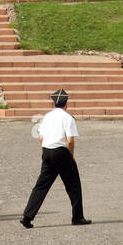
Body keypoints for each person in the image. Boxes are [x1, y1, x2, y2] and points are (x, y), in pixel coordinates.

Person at [20, 88, 91, 228]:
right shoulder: (68, 118)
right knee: (73, 185)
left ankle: (27, 216)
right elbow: (70, 141)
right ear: (66, 103)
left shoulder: (47, 116)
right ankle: (77, 217)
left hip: (47, 151)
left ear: (53, 103)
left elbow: (41, 138)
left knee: (41, 185)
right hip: (61, 152)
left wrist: (46, 151)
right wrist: (71, 156)